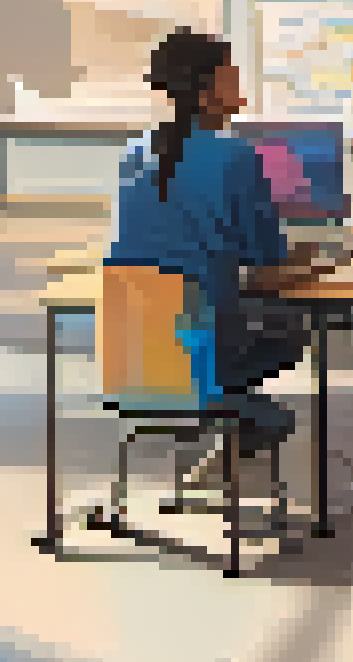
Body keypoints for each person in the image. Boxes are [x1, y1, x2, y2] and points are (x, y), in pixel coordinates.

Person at [104, 30, 322, 452]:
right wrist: (315, 262)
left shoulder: (133, 151)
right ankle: (231, 404)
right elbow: (268, 264)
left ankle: (230, 406)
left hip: (132, 356)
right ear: (205, 93)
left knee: (216, 326)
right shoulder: (236, 156)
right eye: (230, 74)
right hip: (204, 341)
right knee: (292, 327)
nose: (239, 79)